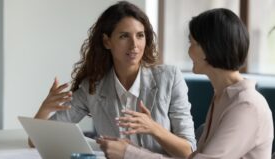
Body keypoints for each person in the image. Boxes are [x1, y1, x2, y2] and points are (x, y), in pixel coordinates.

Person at [97, 8, 274, 159]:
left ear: (208, 48)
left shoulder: (246, 105)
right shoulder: (222, 96)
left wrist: (129, 153)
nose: (188, 50)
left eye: (192, 42)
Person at [30, 1, 196, 157]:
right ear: (107, 41)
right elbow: (35, 141)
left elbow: (189, 152)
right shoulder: (93, 87)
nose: (134, 45)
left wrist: (153, 128)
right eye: (124, 36)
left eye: (140, 35)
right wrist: (44, 109)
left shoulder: (170, 78)